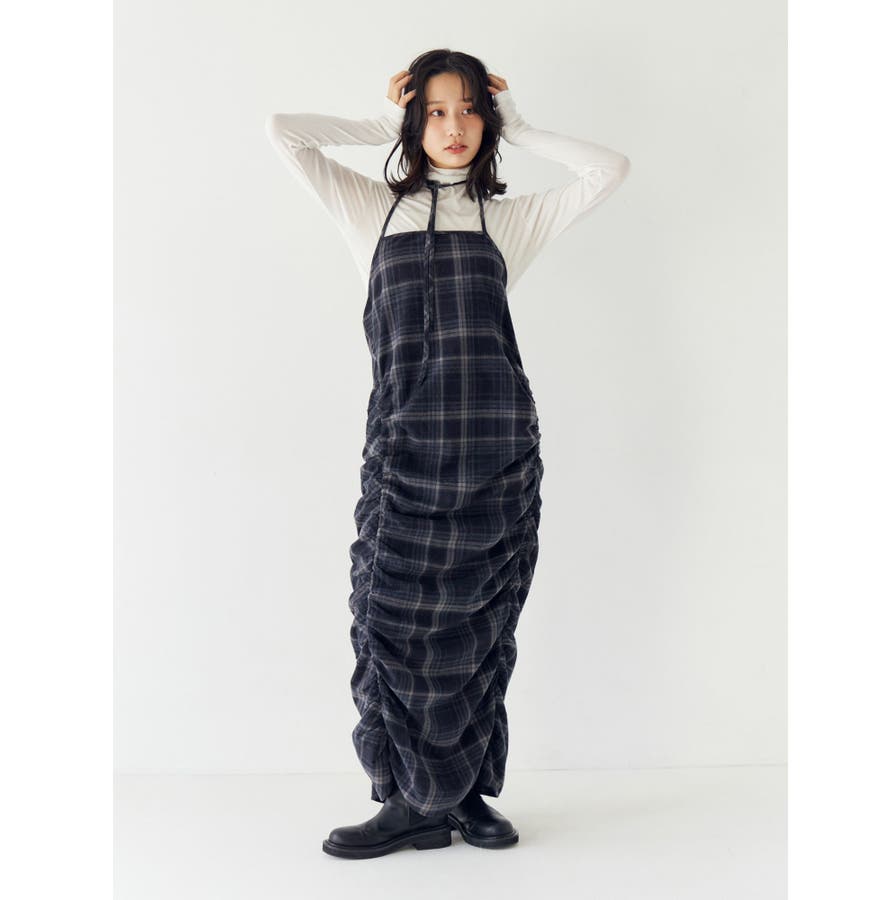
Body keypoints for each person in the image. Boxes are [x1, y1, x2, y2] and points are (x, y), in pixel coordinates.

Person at [266, 49, 630, 860]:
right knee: (391, 624)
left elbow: (609, 170)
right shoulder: (371, 210)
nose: (455, 126)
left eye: (469, 109)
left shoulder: (507, 222)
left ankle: (463, 795)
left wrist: (520, 124)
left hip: (495, 450)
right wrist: (381, 120)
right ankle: (407, 800)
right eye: (434, 110)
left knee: (481, 626)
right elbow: (284, 133)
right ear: (413, 119)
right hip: (405, 451)